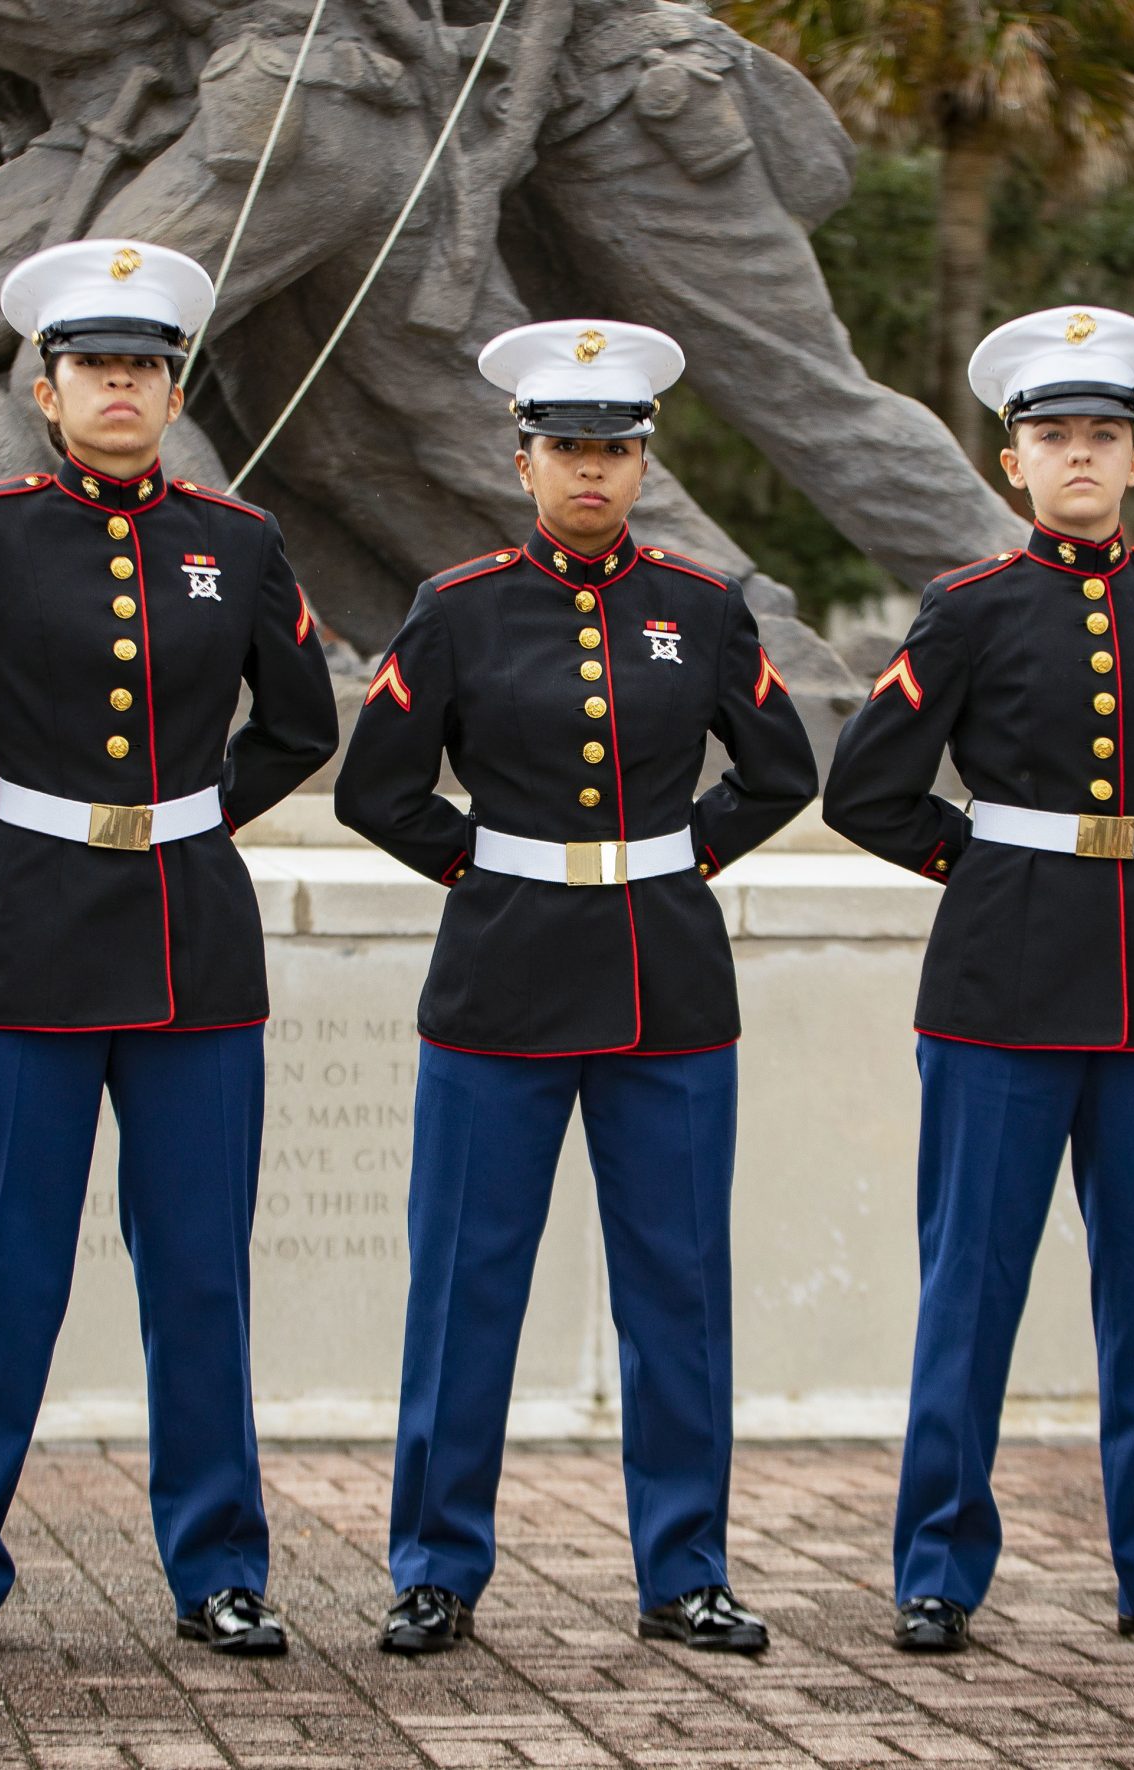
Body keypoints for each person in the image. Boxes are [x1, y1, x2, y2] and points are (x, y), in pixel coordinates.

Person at [0, 239, 339, 1661]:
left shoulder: (237, 544)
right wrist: (9, 819)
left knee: (199, 1271)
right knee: (1, 1269)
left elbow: (301, 723)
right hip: (25, 941)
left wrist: (190, 822)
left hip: (193, 946)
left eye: (143, 367)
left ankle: (220, 1570)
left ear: (173, 386)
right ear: (48, 390)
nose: (120, 388)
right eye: (93, 369)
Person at [336, 319, 818, 1656]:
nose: (592, 474)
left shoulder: (704, 605)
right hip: (499, 984)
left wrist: (674, 861)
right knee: (464, 1287)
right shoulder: (461, 605)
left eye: (614, 451)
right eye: (568, 451)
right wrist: (487, 870)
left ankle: (687, 1569)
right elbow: (378, 785)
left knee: (678, 1286)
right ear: (524, 459)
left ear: (643, 463)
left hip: (666, 985)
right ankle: (435, 1563)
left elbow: (781, 770)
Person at [822, 306, 1134, 1654]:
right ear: (1013, 459)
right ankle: (937, 1567)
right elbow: (869, 785)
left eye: (1103, 436)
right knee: (970, 1284)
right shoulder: (968, 609)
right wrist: (983, 865)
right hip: (1000, 989)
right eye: (1053, 438)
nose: (1079, 458)